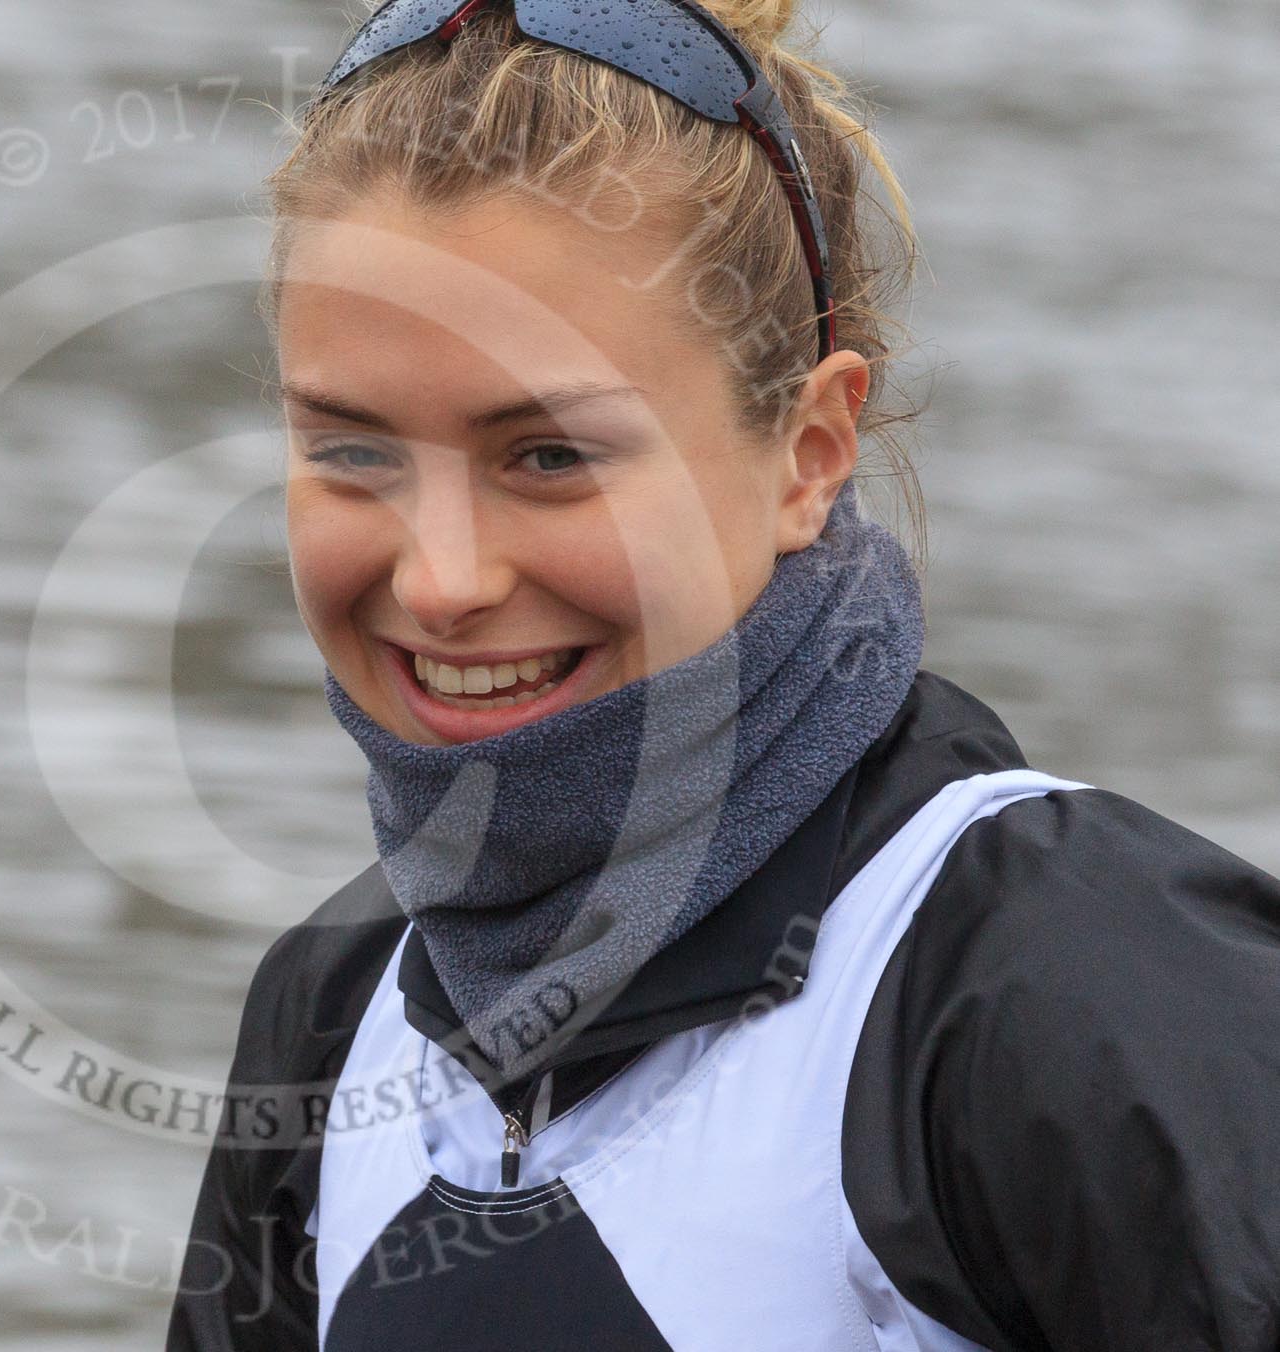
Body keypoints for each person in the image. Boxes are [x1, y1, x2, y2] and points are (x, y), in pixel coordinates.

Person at [167, 1, 1280, 1348]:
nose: (441, 580)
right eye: (354, 451)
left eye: (550, 456)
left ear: (809, 455)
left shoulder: (1063, 1000)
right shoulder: (333, 1015)